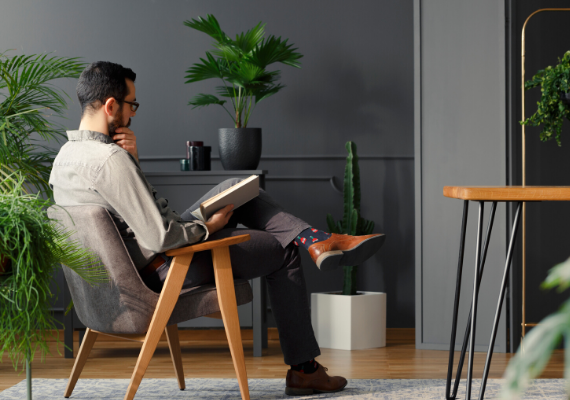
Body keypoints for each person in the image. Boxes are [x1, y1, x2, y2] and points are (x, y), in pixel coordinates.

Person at [49, 61, 385, 396]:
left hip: (129, 277)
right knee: (284, 252)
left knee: (239, 186)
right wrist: (206, 227)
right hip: (167, 270)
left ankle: (316, 240)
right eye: (131, 105)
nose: (133, 114)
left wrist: (135, 164)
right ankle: (305, 369)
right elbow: (159, 236)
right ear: (111, 105)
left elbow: (133, 221)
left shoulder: (66, 158)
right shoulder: (110, 160)